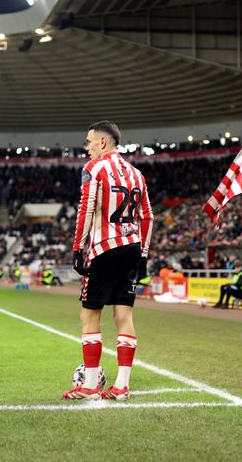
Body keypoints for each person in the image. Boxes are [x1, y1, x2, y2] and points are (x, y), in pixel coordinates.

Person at [64, 120, 153, 401]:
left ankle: (90, 384)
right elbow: (147, 216)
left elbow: (86, 208)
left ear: (103, 142)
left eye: (89, 142)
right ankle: (122, 386)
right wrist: (144, 255)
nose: (87, 148)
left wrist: (78, 248)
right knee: (123, 316)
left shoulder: (94, 169)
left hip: (104, 249)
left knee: (89, 315)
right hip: (132, 248)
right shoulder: (137, 173)